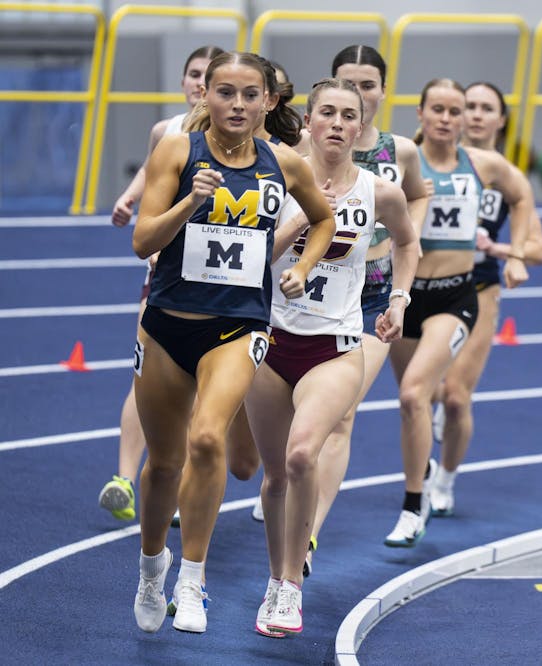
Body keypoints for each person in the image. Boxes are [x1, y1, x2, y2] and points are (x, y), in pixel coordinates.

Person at [130, 51, 336, 635]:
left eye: (251, 95)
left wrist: (302, 267)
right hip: (168, 324)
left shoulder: (284, 162)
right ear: (206, 98)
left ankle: (192, 583)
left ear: (269, 102)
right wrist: (190, 202)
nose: (238, 105)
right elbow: (143, 242)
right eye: (225, 93)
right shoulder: (177, 151)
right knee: (164, 464)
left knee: (206, 439)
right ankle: (152, 568)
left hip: (239, 327)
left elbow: (323, 219)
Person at [245, 77, 419, 637]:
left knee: (302, 456)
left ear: (361, 124)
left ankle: (291, 585)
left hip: (337, 346)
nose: (338, 123)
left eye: (350, 114)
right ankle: (276, 579)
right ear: (310, 121)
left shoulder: (378, 190)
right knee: (271, 476)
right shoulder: (273, 177)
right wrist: (304, 220)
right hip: (271, 342)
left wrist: (398, 297)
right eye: (328, 113)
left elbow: (408, 242)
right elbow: (251, 260)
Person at [289, 44, 430, 576]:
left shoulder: (400, 150)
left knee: (341, 417)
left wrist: (392, 248)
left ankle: (308, 538)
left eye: (367, 87)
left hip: (368, 297)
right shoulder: (300, 147)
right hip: (298, 299)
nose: (358, 98)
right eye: (346, 87)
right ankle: (291, 482)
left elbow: (412, 200)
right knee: (284, 433)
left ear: (381, 92)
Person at [383, 78, 532, 547]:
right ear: (421, 113)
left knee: (414, 396)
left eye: (456, 110)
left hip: (456, 297)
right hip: (408, 295)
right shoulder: (404, 157)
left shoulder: (482, 164)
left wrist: (518, 252)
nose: (448, 119)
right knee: (417, 406)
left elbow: (522, 195)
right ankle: (422, 468)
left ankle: (415, 502)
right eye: (439, 110)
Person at [99, 45, 226, 522]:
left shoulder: (243, 140)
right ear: (184, 81)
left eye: (207, 76)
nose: (199, 83)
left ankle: (178, 483)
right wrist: (128, 201)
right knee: (145, 374)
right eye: (194, 74)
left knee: (200, 391)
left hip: (219, 284)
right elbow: (152, 181)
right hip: (164, 276)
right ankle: (124, 476)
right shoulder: (167, 132)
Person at [427, 81, 542, 517]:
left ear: (501, 120)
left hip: (479, 286)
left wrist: (508, 254)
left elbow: (537, 247)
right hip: (431, 284)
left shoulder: (504, 176)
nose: (476, 115)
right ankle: (419, 462)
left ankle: (445, 479)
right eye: (469, 106)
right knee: (425, 390)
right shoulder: (434, 157)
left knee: (457, 396)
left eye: (486, 108)